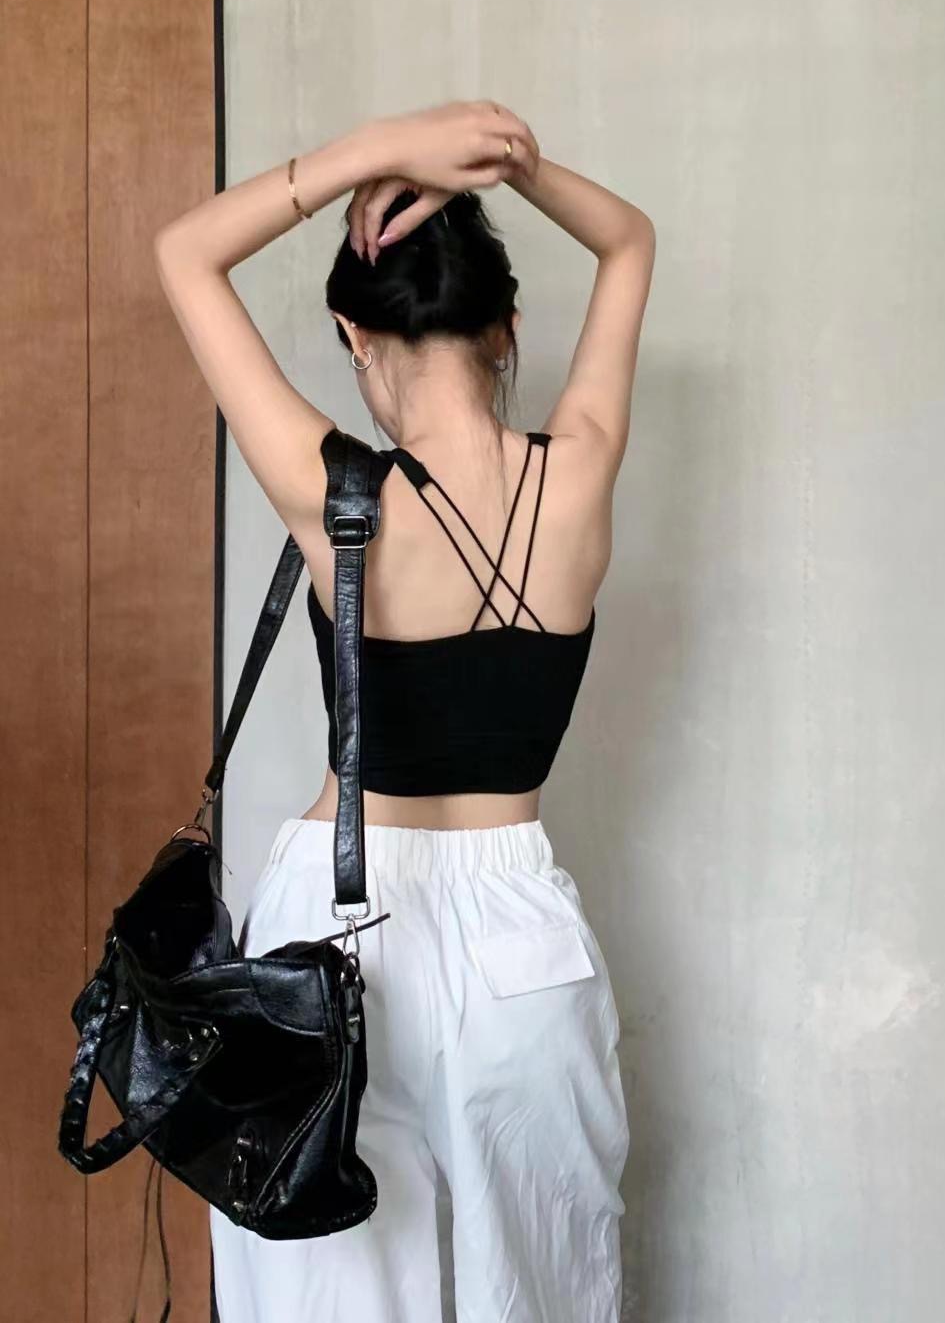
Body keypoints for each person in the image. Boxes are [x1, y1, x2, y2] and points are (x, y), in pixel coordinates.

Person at [153, 99, 656, 1323]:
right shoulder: (579, 471)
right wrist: (508, 163)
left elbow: (184, 252)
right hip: (521, 933)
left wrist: (384, 152)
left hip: (334, 929)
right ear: (508, 327)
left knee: (324, 1286)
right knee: (535, 1280)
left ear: (353, 333)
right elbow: (629, 239)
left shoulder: (328, 486)